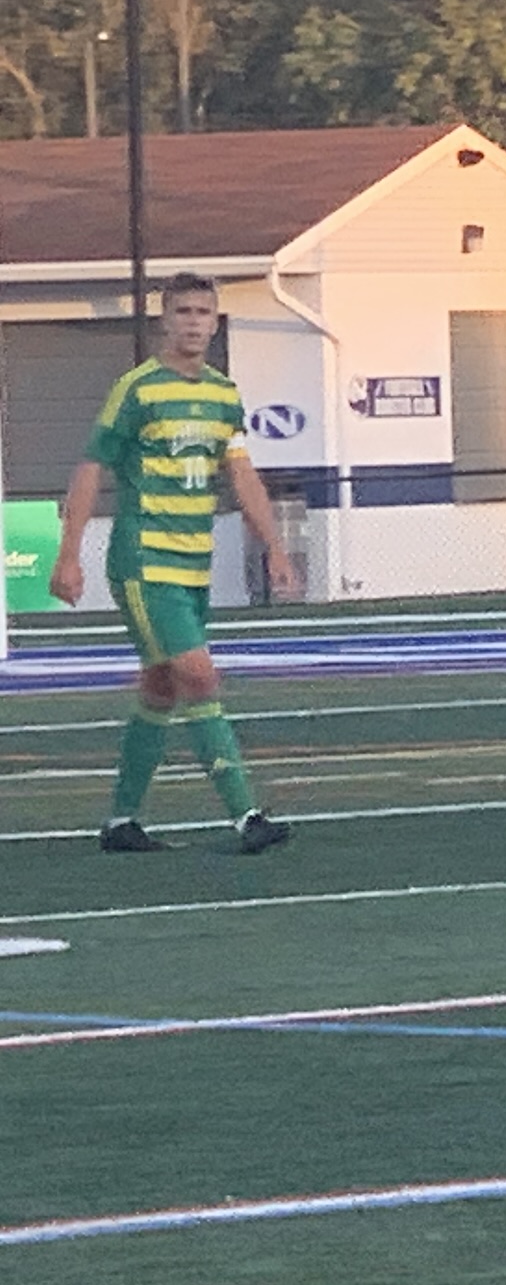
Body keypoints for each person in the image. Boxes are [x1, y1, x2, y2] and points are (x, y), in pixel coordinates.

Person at [51, 273, 299, 854]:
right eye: (183, 311)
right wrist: (70, 554)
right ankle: (246, 816)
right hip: (145, 562)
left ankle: (121, 823)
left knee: (162, 685)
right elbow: (91, 467)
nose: (193, 321)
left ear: (215, 322)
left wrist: (276, 545)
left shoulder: (222, 394)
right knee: (199, 674)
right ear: (165, 320)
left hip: (193, 566)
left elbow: (241, 474)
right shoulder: (136, 389)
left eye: (203, 312)